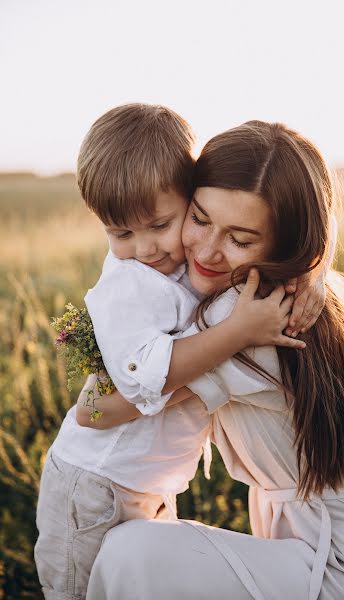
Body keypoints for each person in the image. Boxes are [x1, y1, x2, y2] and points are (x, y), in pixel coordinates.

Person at [85, 121, 344, 600]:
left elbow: (98, 409)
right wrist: (316, 268)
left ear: (284, 242)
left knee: (130, 555)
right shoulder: (297, 293)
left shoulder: (244, 319)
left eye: (241, 239)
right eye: (199, 218)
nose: (208, 251)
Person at [34, 105, 318, 600]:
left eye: (159, 225)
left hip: (145, 480)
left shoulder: (184, 265)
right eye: (121, 233)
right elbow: (132, 385)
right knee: (79, 591)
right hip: (95, 481)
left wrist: (308, 273)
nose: (144, 248)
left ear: (191, 195)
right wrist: (238, 332)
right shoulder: (131, 285)